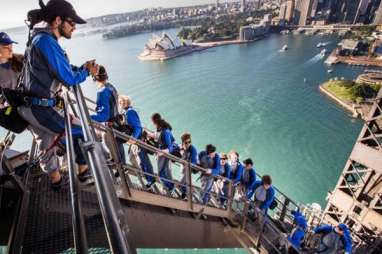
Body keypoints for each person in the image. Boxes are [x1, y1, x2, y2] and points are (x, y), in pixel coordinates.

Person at [18, 0, 99, 190]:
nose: (75, 28)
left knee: (46, 146)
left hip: (33, 106)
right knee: (84, 133)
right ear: (57, 21)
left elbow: (59, 70)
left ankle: (57, 183)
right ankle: (84, 174)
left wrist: (81, 69)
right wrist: (87, 71)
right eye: (72, 23)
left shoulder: (39, 38)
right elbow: (68, 79)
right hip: (40, 109)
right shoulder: (46, 42)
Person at [90, 65, 120, 160]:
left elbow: (103, 116)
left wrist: (87, 117)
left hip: (109, 125)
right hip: (116, 121)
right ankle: (119, 162)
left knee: (109, 145)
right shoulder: (111, 86)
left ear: (94, 78)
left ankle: (116, 163)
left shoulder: (102, 92)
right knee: (117, 148)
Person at [150, 113, 177, 192]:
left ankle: (170, 187)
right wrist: (151, 135)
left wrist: (164, 151)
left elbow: (170, 146)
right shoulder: (160, 128)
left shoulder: (165, 131)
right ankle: (168, 187)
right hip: (161, 153)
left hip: (164, 154)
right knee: (165, 171)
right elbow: (158, 135)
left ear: (154, 121)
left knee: (162, 172)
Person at [117, 95, 142, 166]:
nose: (119, 104)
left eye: (120, 102)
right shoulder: (125, 112)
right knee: (133, 158)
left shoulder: (130, 112)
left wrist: (133, 138)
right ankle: (142, 173)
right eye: (119, 103)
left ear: (125, 103)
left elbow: (138, 127)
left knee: (135, 158)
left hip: (138, 139)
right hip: (135, 138)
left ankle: (144, 175)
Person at [179, 133, 197, 199]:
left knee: (184, 182)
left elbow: (194, 161)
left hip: (189, 167)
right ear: (183, 142)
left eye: (190, 142)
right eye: (186, 142)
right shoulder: (182, 147)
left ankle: (186, 194)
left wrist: (187, 163)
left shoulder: (193, 150)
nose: (188, 144)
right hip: (183, 167)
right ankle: (184, 193)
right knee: (184, 181)